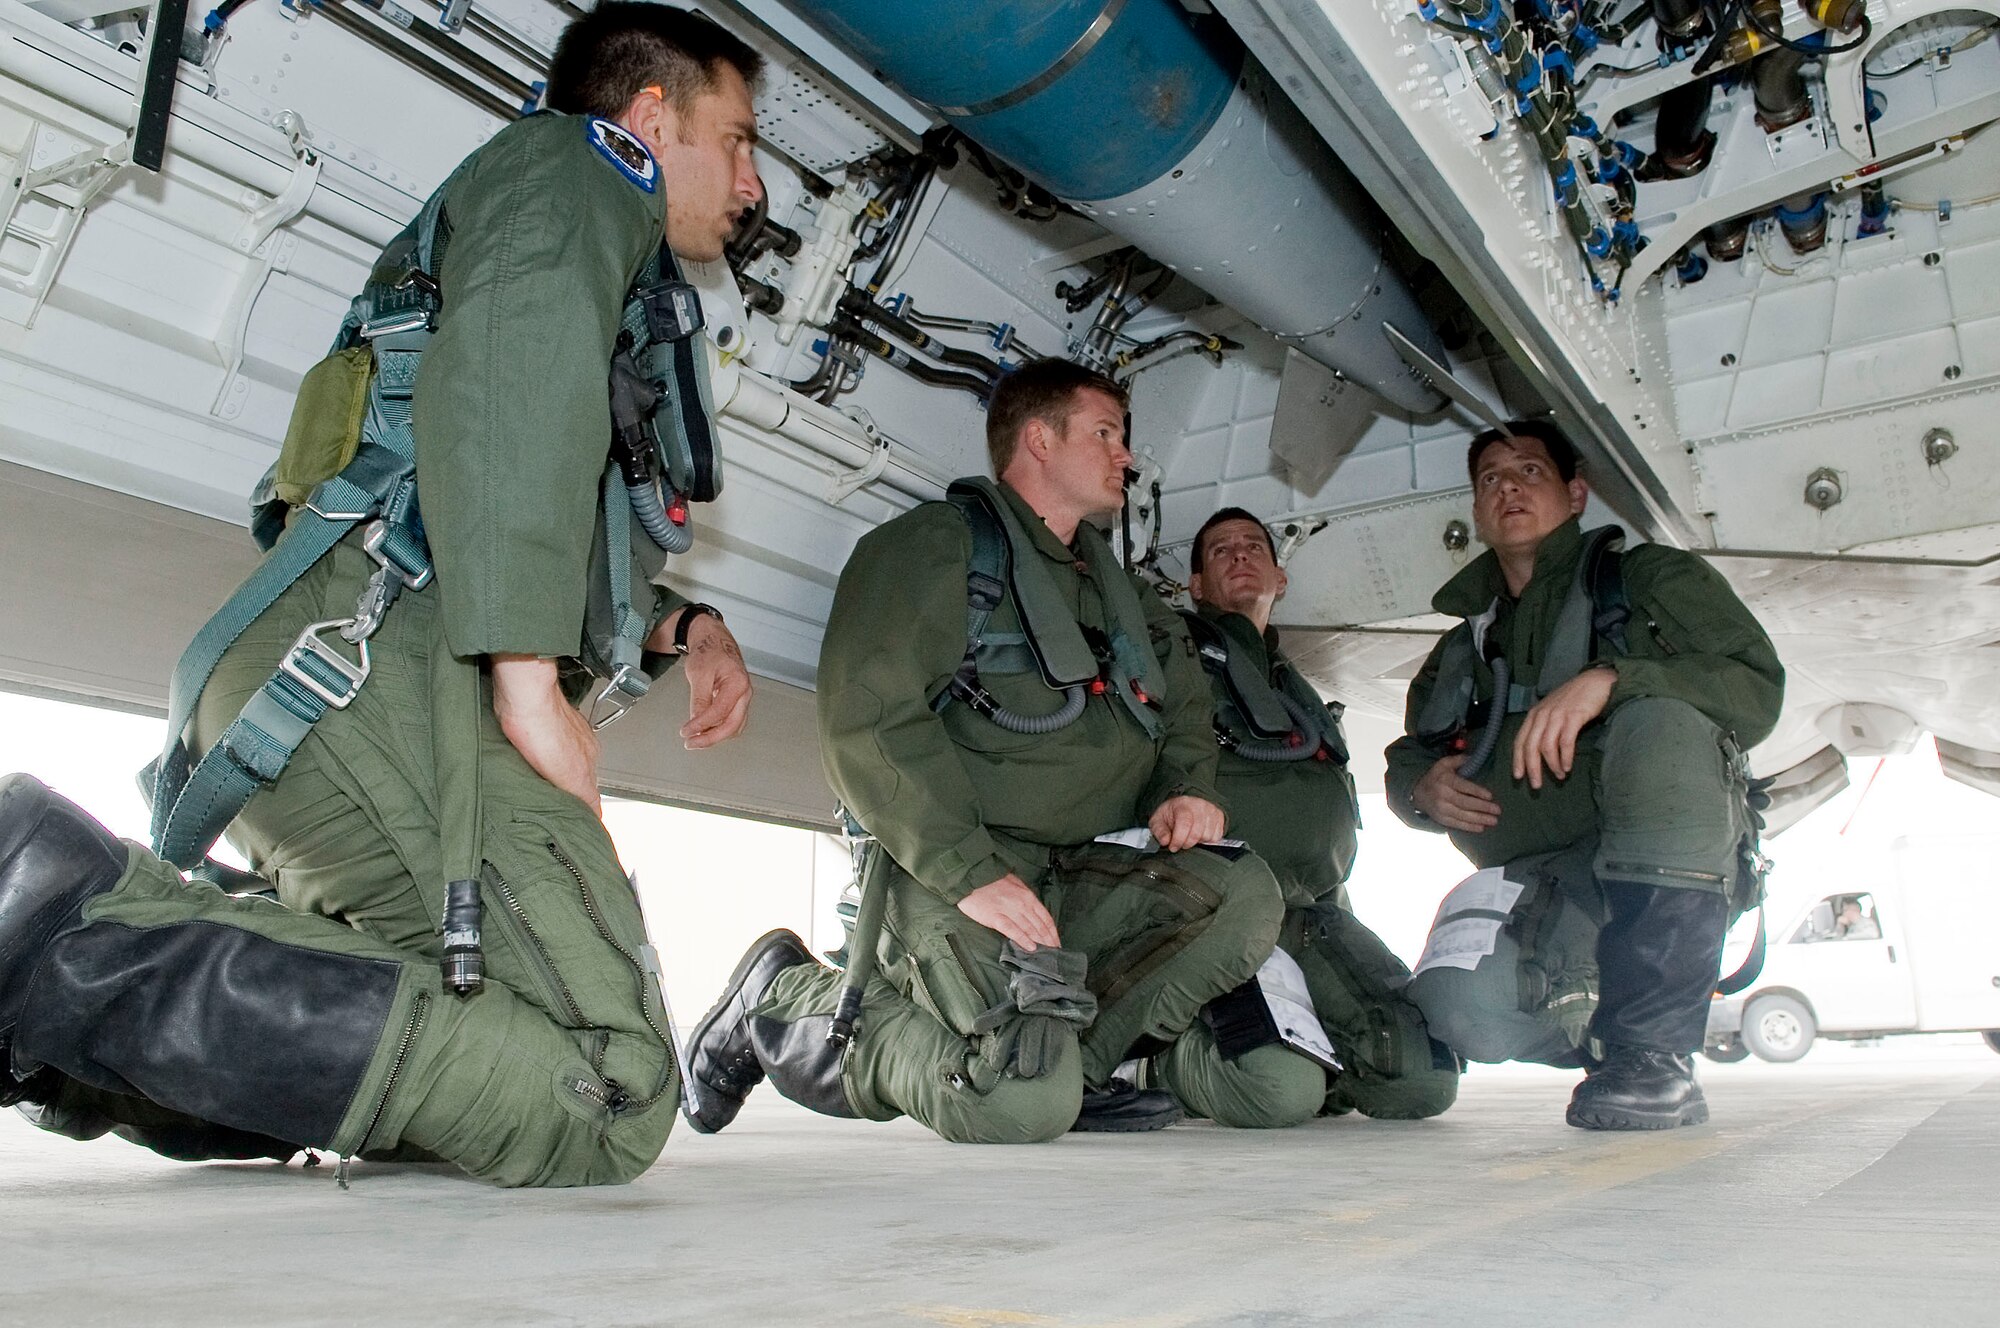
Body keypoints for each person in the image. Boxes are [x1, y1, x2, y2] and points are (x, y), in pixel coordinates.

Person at [0, 3, 762, 1186]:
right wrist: (523, 678)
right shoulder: (580, 166)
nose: (752, 181)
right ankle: (39, 917)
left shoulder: (596, 248)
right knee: (606, 1087)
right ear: (653, 116)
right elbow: (513, 368)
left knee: (496, 1054)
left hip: (351, 676)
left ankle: (64, 1026)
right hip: (377, 671)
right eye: (739, 136)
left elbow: (543, 487)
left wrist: (683, 625)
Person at [682, 360, 1320, 1142]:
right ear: (1040, 440)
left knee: (1242, 888)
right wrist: (969, 872)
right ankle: (783, 997)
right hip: (956, 869)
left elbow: (1184, 706)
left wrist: (1187, 786)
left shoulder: (1125, 595)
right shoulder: (933, 549)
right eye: (1106, 433)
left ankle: (1074, 1069)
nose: (1127, 456)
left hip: (1084, 870)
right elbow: (867, 720)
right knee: (1012, 1103)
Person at [1385, 419, 1782, 1130]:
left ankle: (1653, 1053)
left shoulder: (1649, 580)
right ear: (1477, 513)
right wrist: (1419, 790)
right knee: (1454, 1009)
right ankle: (1605, 1032)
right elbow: (1411, 751)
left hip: (1661, 855)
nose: (1506, 487)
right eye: (1489, 480)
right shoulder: (1464, 646)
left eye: (1528, 472)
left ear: (1575, 494)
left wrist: (1612, 679)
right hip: (1548, 881)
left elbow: (1755, 688)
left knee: (1657, 719)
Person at [1178, 507, 1460, 1121]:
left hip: (1313, 913)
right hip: (1219, 919)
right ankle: (1156, 1060)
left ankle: (1318, 1058)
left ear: (1280, 578)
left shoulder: (1291, 686)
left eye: (1253, 545)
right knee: (1280, 1090)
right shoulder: (1175, 661)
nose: (1239, 555)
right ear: (1196, 585)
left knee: (1418, 1080)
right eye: (1220, 550)